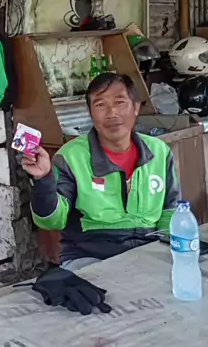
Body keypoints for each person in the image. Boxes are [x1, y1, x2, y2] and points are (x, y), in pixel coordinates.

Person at [23, 72, 179, 272]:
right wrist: (43, 179)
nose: (111, 112)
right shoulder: (71, 156)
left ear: (136, 107)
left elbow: (170, 209)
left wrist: (169, 252)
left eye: (120, 102)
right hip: (90, 254)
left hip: (148, 250)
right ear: (90, 113)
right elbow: (52, 221)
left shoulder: (159, 151)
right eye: (100, 105)